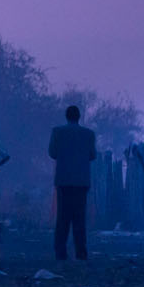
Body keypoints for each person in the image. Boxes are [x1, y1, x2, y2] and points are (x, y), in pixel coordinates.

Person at [48, 105, 96, 261]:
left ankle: (60, 252)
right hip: (81, 181)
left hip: (63, 180)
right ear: (79, 116)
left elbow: (52, 153)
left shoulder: (57, 132)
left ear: (66, 116)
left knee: (62, 217)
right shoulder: (88, 134)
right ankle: (81, 252)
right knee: (79, 218)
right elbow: (92, 155)